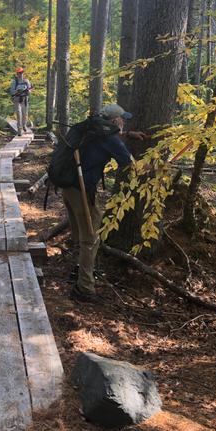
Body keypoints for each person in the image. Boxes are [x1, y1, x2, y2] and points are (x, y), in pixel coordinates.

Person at [63, 103, 146, 303]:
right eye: (122, 119)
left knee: (81, 233)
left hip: (66, 185)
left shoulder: (92, 128)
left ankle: (79, 270)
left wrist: (129, 135)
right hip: (81, 190)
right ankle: (84, 287)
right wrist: (155, 166)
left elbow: (107, 140)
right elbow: (131, 165)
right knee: (91, 237)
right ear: (114, 121)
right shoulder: (109, 138)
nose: (124, 121)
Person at [9, 67, 32, 135]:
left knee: (25, 114)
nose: (20, 74)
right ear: (17, 74)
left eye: (21, 72)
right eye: (19, 73)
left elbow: (30, 89)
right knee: (19, 114)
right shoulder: (14, 82)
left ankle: (24, 125)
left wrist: (28, 91)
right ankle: (19, 130)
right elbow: (11, 91)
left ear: (23, 73)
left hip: (25, 99)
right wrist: (17, 91)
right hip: (17, 99)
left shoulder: (26, 81)